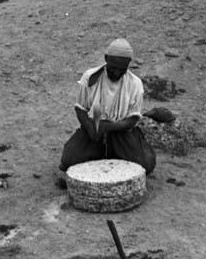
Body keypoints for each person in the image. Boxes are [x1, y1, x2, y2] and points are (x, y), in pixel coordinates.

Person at [59, 38, 156, 175]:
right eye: (113, 68)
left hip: (121, 131)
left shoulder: (135, 84)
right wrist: (88, 126)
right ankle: (100, 152)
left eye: (122, 69)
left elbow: (133, 119)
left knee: (146, 164)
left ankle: (113, 152)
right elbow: (80, 108)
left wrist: (110, 127)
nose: (116, 73)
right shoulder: (90, 77)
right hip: (94, 128)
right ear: (106, 59)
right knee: (69, 160)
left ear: (128, 64)